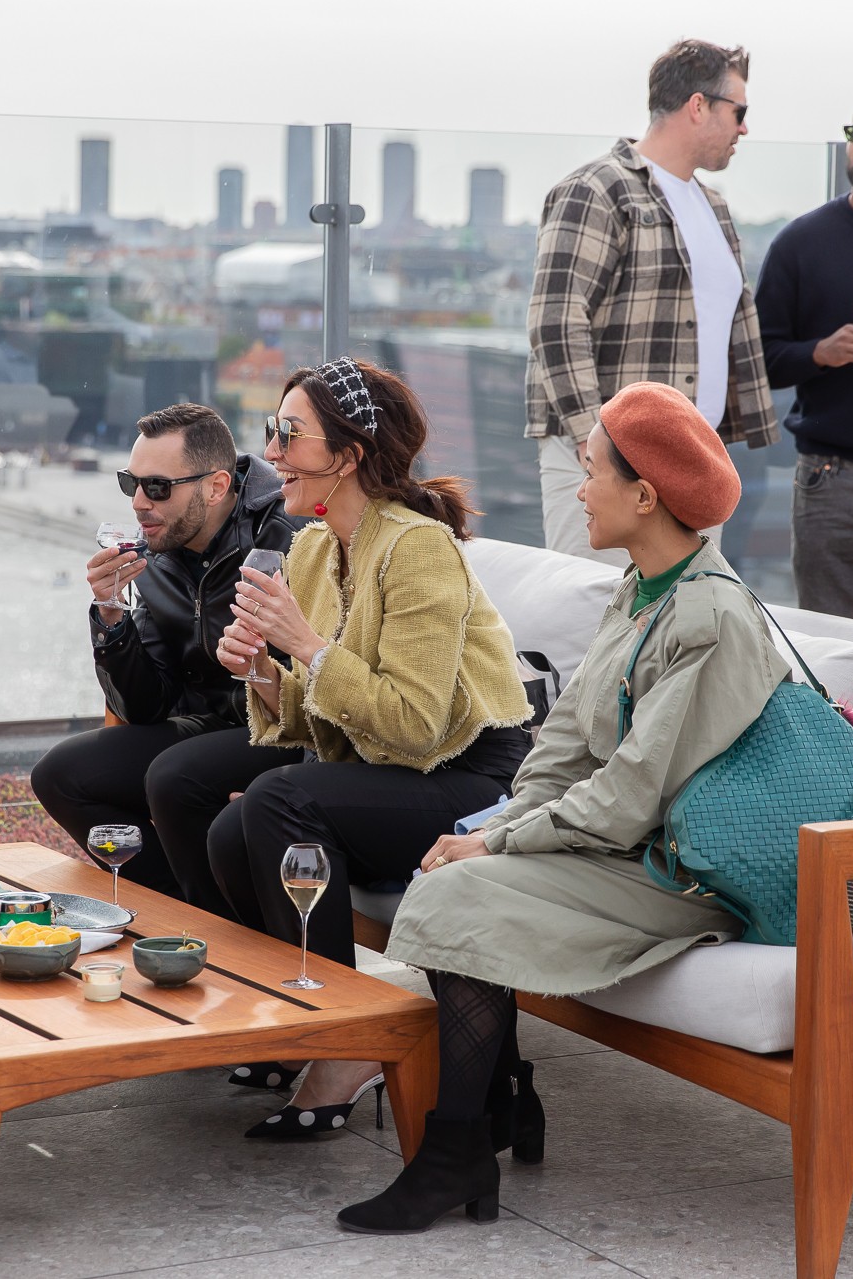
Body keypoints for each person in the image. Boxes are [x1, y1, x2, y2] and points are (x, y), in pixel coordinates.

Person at [337, 380, 788, 1236]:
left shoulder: (710, 615)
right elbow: (565, 748)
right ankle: (490, 1115)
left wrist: (501, 844)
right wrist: (489, 832)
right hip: (625, 852)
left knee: (454, 889)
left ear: (644, 494)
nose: (578, 489)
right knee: (448, 867)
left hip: (684, 874)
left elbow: (628, 798)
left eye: (591, 472)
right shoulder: (640, 587)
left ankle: (461, 1143)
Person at [207, 358, 533, 1138]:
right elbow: (332, 724)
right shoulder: (319, 547)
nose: (273, 453)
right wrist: (262, 674)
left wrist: (306, 645)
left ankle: (349, 1042)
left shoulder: (419, 547)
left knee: (280, 798)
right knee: (231, 826)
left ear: (349, 454)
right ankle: (303, 1021)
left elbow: (416, 722)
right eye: (271, 433)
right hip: (396, 767)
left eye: (290, 435)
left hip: (472, 776)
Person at [30, 403, 301, 912]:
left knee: (177, 773)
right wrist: (111, 617)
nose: (137, 502)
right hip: (205, 729)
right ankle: (176, 910)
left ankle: (220, 926)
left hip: (286, 726)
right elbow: (145, 709)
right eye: (129, 482)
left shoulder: (288, 537)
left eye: (156, 487)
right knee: (61, 775)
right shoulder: (155, 554)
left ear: (216, 487)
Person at [525, 38, 776, 565]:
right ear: (699, 105)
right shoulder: (598, 189)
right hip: (609, 460)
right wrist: (596, 451)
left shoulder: (713, 208)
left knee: (686, 628)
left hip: (689, 460)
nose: (745, 128)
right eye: (740, 110)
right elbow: (555, 321)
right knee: (589, 623)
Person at [755, 92, 853, 625]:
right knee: (841, 653)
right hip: (828, 479)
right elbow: (760, 361)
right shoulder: (800, 243)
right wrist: (819, 353)